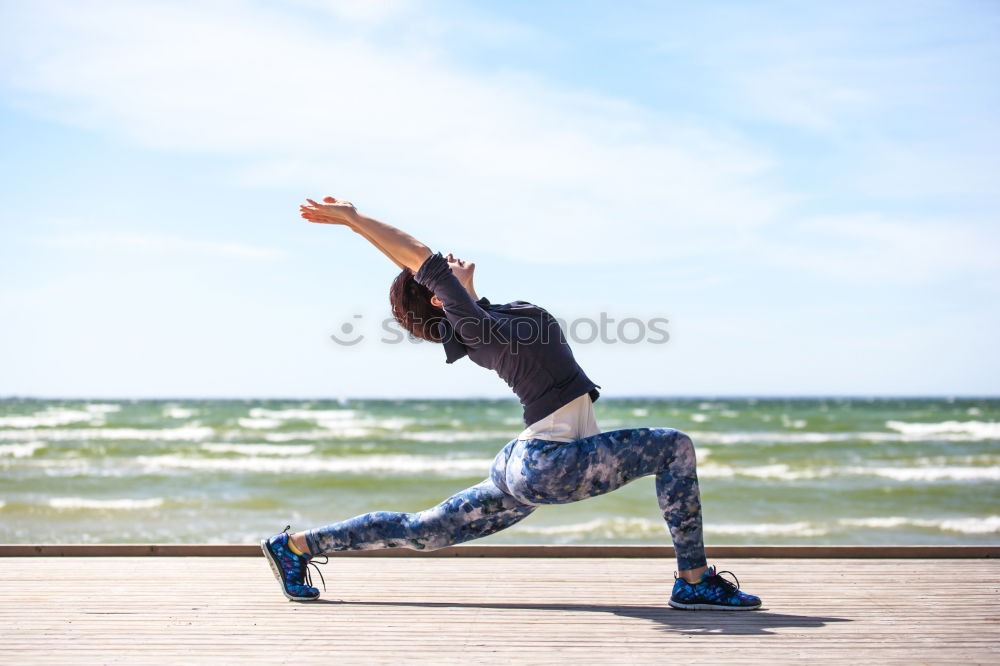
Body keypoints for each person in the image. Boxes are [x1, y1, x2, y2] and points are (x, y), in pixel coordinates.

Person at [260, 196, 761, 611]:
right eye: (440, 276)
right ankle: (692, 580)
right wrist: (353, 220)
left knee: (423, 532)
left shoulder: (484, 317)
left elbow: (423, 271)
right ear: (440, 298)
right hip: (548, 464)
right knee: (675, 447)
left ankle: (295, 546)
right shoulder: (476, 329)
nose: (448, 259)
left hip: (527, 461)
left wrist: (382, 245)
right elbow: (421, 260)